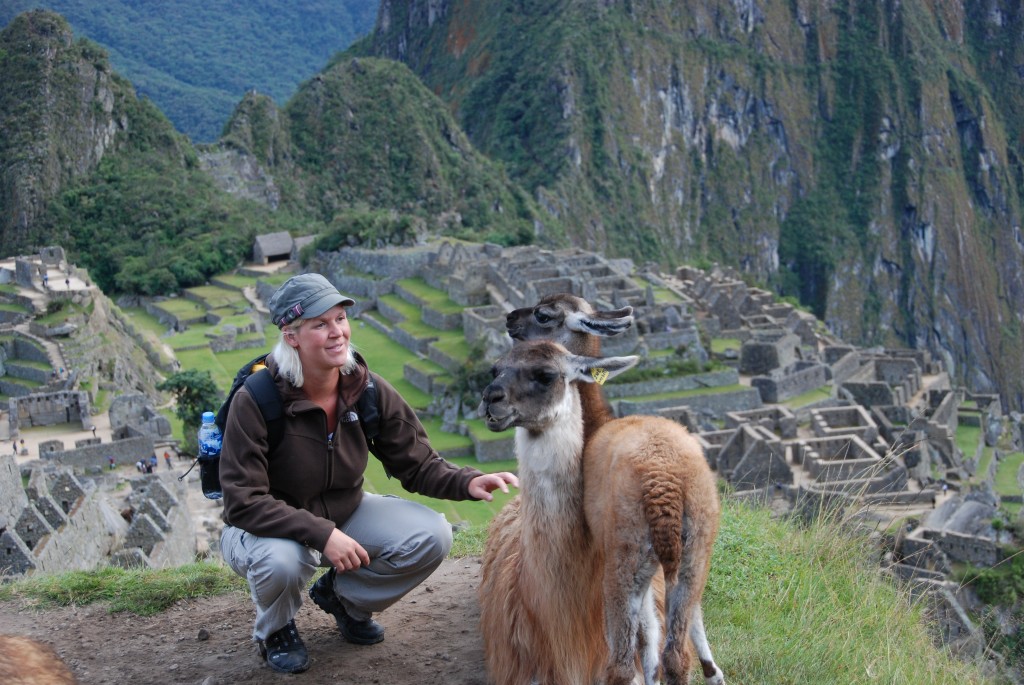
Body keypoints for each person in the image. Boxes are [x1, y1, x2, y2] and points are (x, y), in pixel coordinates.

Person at [218, 273, 518, 675]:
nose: (336, 332)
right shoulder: (257, 400)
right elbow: (243, 501)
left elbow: (417, 463)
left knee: (431, 536)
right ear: (292, 336)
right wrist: (322, 534)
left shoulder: (366, 388)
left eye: (340, 319)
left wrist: (466, 481)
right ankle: (275, 630)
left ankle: (345, 601)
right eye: (320, 324)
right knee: (282, 562)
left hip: (343, 511)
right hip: (263, 529)